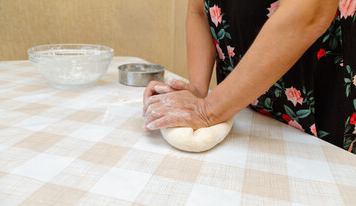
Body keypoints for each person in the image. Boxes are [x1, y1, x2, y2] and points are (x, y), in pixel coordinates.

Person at [143, 0, 356, 154]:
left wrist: (207, 110)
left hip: (324, 111)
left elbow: (308, 14)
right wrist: (199, 90)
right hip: (248, 112)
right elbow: (199, 11)